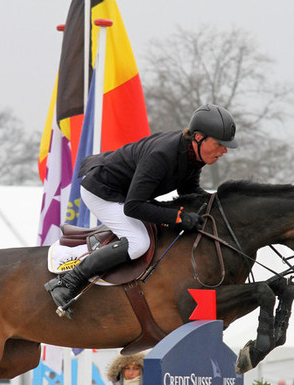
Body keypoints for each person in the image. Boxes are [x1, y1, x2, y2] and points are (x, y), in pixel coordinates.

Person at [45, 104, 239, 316]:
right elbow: (133, 206)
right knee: (139, 243)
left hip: (125, 194)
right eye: (220, 144)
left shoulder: (193, 155)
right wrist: (178, 217)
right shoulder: (162, 155)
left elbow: (189, 191)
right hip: (102, 191)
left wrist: (218, 207)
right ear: (199, 137)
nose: (225, 150)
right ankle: (67, 281)